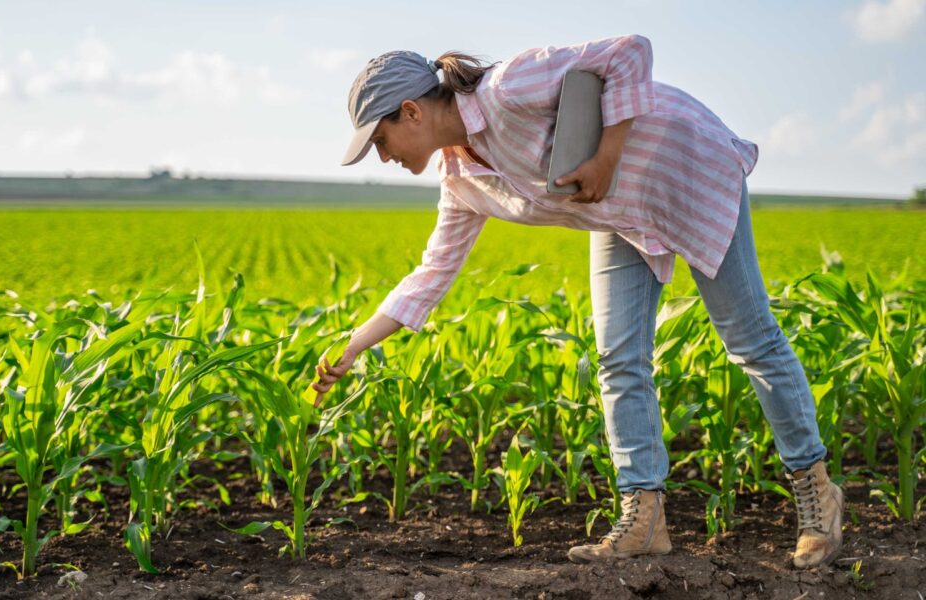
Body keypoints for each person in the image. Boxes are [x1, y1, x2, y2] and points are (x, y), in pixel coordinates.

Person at [313, 35, 843, 569]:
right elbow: (431, 273)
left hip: (682, 167)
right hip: (620, 213)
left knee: (749, 338)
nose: (382, 156)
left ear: (411, 112)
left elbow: (629, 52)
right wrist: (355, 346)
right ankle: (645, 517)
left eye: (380, 140)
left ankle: (816, 492)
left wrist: (607, 157)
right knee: (617, 357)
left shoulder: (507, 88)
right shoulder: (462, 180)